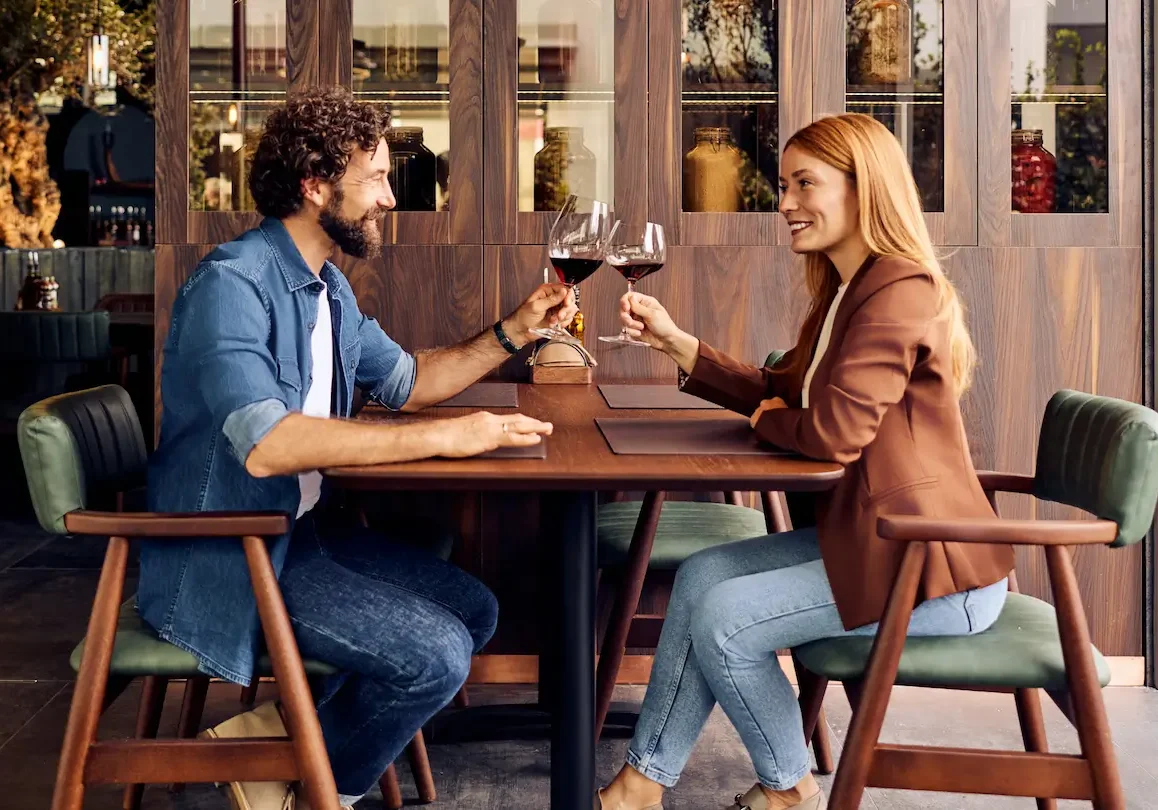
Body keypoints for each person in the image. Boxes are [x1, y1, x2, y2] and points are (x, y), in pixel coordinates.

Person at [141, 86, 575, 810]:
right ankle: (319, 792)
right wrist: (451, 438)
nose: (389, 200)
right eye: (375, 177)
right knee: (433, 658)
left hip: (300, 534)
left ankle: (276, 747)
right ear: (316, 187)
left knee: (473, 612)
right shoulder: (232, 285)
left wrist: (515, 331)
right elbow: (268, 446)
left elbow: (408, 380)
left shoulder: (326, 289)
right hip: (229, 550)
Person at [597, 113, 1014, 810]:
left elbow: (833, 433)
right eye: (784, 185)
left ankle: (787, 788)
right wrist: (678, 345)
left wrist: (773, 419)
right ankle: (643, 781)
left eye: (803, 184)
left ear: (863, 189)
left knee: (727, 619)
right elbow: (782, 392)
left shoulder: (900, 291)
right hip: (872, 544)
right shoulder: (849, 290)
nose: (784, 203)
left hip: (930, 569)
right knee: (703, 575)